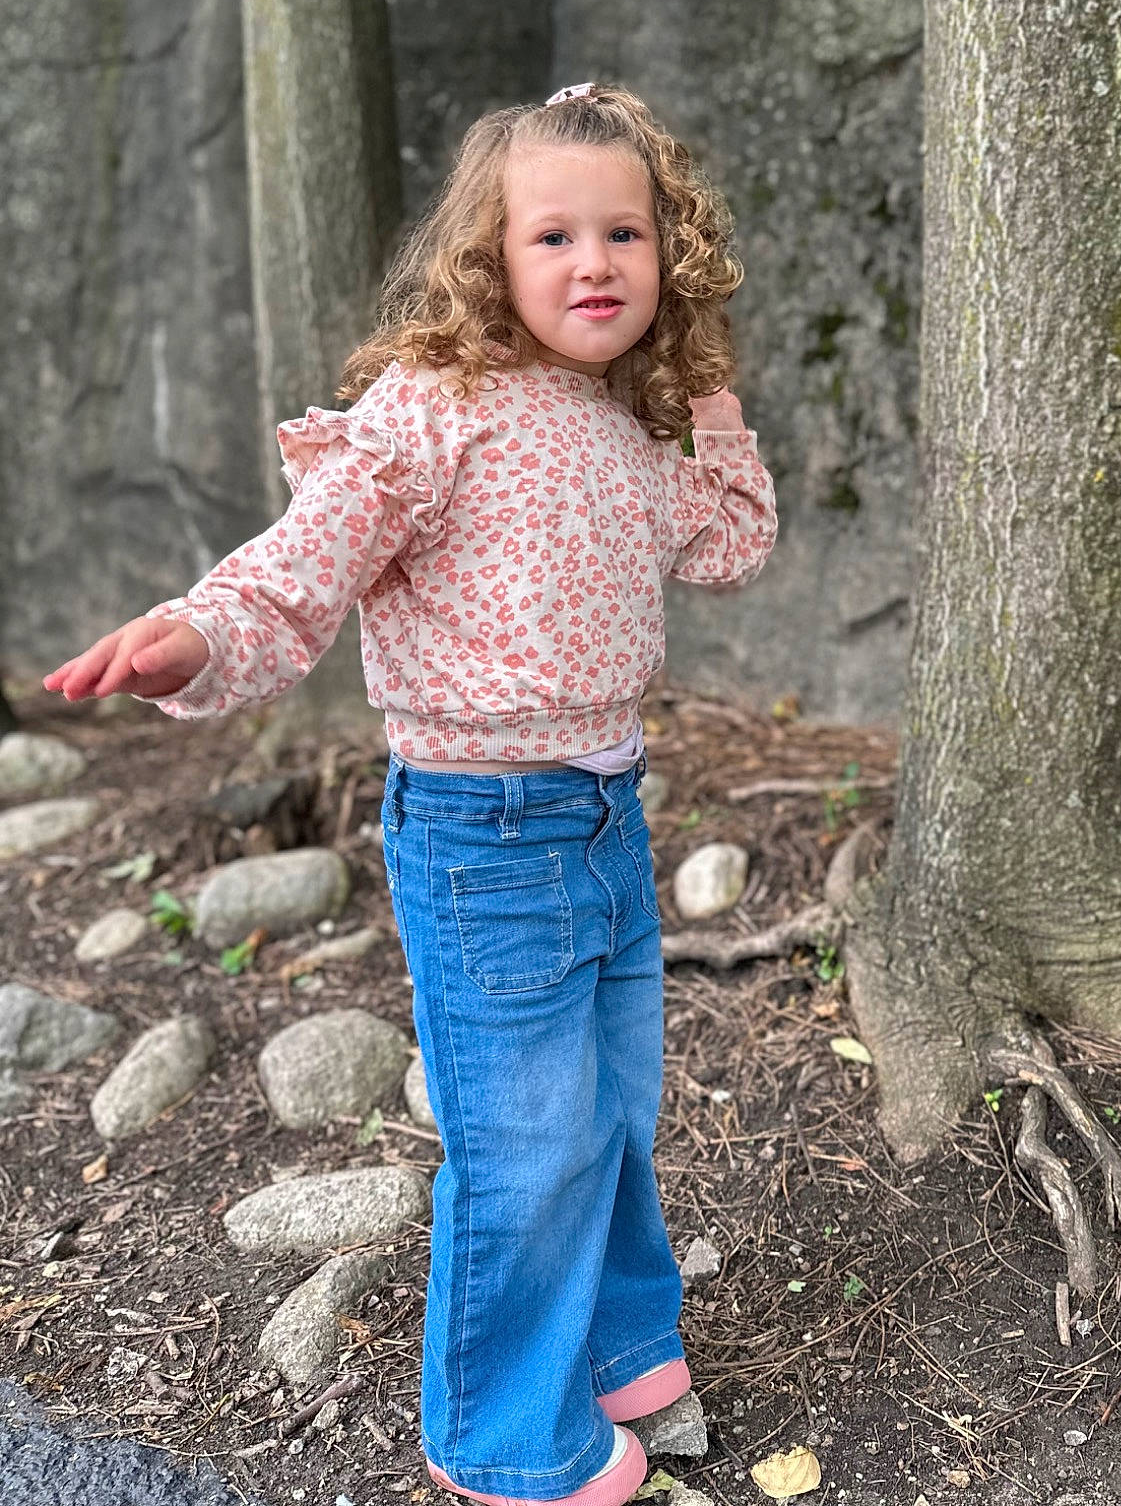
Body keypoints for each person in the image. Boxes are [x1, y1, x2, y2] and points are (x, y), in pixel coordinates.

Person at [44, 82, 777, 1506]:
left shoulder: (628, 430)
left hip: (606, 823)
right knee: (526, 1144)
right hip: (481, 836)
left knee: (616, 1113)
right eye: (552, 235)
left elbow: (734, 547)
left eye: (625, 233)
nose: (593, 262)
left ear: (669, 253)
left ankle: (622, 1344)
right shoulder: (434, 412)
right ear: (489, 257)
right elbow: (300, 565)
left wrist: (711, 399)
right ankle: (502, 1440)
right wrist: (198, 635)